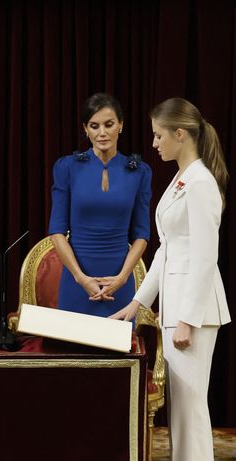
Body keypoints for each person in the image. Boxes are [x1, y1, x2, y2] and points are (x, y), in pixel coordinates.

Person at [111, 98, 230, 461]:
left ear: (181, 135)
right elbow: (168, 250)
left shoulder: (200, 183)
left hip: (193, 311)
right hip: (176, 306)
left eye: (159, 135)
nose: (154, 142)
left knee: (190, 410)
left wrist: (188, 320)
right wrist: (137, 303)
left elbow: (204, 256)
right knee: (182, 410)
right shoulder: (182, 178)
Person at [48, 93, 152, 317]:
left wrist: (122, 277)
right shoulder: (66, 167)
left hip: (119, 284)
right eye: (94, 126)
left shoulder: (139, 172)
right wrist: (80, 278)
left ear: (121, 125)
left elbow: (142, 234)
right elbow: (56, 231)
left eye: (109, 124)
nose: (102, 133)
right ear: (85, 129)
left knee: (119, 340)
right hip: (77, 283)